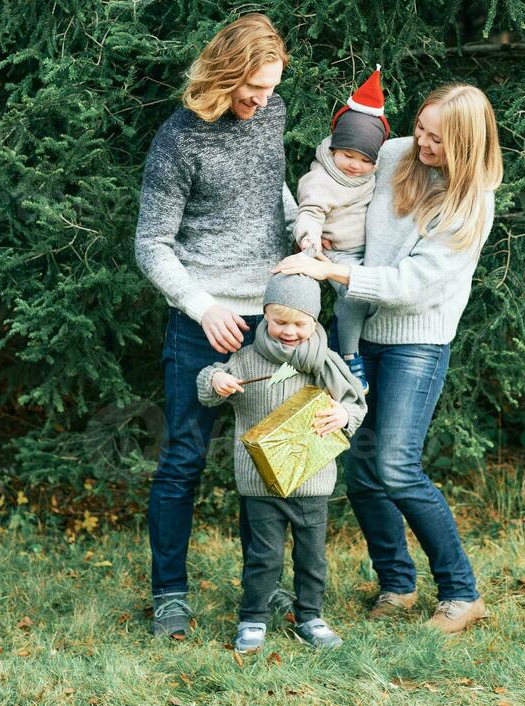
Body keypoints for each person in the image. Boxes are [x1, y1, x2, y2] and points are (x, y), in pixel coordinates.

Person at [275, 83, 503, 635]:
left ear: (468, 145)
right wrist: (319, 226)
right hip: (358, 332)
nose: (419, 142)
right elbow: (338, 180)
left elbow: (411, 284)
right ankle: (397, 584)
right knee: (362, 468)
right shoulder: (398, 152)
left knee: (397, 467)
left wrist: (333, 273)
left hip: (416, 340)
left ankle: (461, 592)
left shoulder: (471, 203)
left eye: (435, 138)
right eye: (420, 128)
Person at [134, 13, 297, 639]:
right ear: (224, 74)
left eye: (270, 89)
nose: (260, 102)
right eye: (251, 89)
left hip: (271, 321)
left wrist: (300, 224)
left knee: (270, 460)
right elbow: (152, 245)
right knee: (182, 461)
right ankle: (170, 595)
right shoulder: (179, 140)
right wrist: (204, 306)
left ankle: (267, 586)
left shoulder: (272, 114)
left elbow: (270, 188)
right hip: (201, 322)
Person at [196, 273, 366, 652]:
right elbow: (209, 386)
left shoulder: (326, 363)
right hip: (260, 481)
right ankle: (253, 618)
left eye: (300, 323)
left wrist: (343, 415)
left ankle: (310, 616)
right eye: (280, 322)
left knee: (311, 556)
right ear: (265, 316)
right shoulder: (247, 357)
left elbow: (355, 403)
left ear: (316, 321)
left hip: (312, 478)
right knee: (264, 554)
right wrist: (217, 380)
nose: (289, 331)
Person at [293, 67, 389, 391]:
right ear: (334, 148)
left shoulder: (372, 176)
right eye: (348, 155)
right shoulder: (321, 179)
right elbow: (310, 212)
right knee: (353, 295)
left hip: (370, 252)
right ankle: (349, 356)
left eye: (365, 160)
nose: (355, 165)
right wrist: (309, 237)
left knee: (376, 296)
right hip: (337, 255)